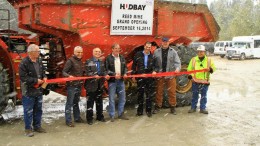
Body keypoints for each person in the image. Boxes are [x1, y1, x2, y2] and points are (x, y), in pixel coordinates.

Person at [19, 44, 47, 137]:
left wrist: (45, 77)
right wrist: (35, 80)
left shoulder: (39, 60)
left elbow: (43, 70)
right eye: (37, 51)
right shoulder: (24, 63)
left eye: (39, 51)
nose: (39, 53)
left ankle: (37, 126)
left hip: (38, 90)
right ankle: (28, 129)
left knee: (38, 109)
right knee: (28, 111)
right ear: (31, 52)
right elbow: (23, 78)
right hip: (28, 91)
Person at [153, 37, 181, 115]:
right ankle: (158, 107)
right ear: (161, 42)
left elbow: (177, 63)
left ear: (169, 42)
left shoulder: (173, 52)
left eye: (166, 42)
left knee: (172, 92)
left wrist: (177, 69)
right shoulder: (156, 52)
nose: (165, 43)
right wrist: (154, 71)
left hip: (170, 75)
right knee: (159, 92)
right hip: (160, 75)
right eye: (164, 41)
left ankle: (172, 107)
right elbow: (154, 64)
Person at [187, 45, 216, 114]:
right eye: (199, 51)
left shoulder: (209, 60)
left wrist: (210, 69)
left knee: (204, 96)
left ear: (204, 52)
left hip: (205, 81)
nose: (200, 53)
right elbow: (189, 69)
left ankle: (202, 108)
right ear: (197, 52)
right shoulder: (193, 59)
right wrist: (190, 76)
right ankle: (193, 108)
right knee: (195, 95)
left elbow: (214, 68)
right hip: (195, 81)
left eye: (202, 51)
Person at [84, 48, 109, 125]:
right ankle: (89, 118)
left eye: (99, 52)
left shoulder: (101, 62)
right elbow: (87, 72)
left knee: (99, 102)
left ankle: (100, 116)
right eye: (96, 51)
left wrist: (106, 75)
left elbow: (104, 71)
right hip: (91, 85)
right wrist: (94, 75)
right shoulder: (88, 61)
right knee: (90, 103)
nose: (98, 53)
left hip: (99, 85)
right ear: (93, 52)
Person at [131, 42, 156, 117]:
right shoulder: (138, 54)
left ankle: (148, 111)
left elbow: (155, 66)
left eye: (149, 47)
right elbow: (134, 65)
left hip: (149, 76)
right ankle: (140, 111)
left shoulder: (152, 56)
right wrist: (133, 75)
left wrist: (154, 71)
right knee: (140, 94)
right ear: (144, 46)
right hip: (140, 76)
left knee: (149, 94)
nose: (148, 48)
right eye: (147, 46)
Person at [105, 43, 129, 122]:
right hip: (112, 81)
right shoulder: (108, 58)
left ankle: (120, 113)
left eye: (118, 48)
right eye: (115, 48)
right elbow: (106, 70)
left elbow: (125, 67)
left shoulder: (122, 58)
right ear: (112, 49)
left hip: (121, 81)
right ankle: (112, 115)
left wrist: (125, 73)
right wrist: (113, 74)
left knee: (122, 98)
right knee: (111, 98)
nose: (117, 50)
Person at [62, 46, 85, 127]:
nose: (80, 54)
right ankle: (68, 120)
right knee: (69, 103)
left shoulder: (81, 61)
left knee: (76, 102)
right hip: (71, 86)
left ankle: (77, 118)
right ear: (74, 52)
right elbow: (64, 72)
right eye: (78, 52)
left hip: (78, 85)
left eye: (81, 52)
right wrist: (69, 76)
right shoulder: (70, 61)